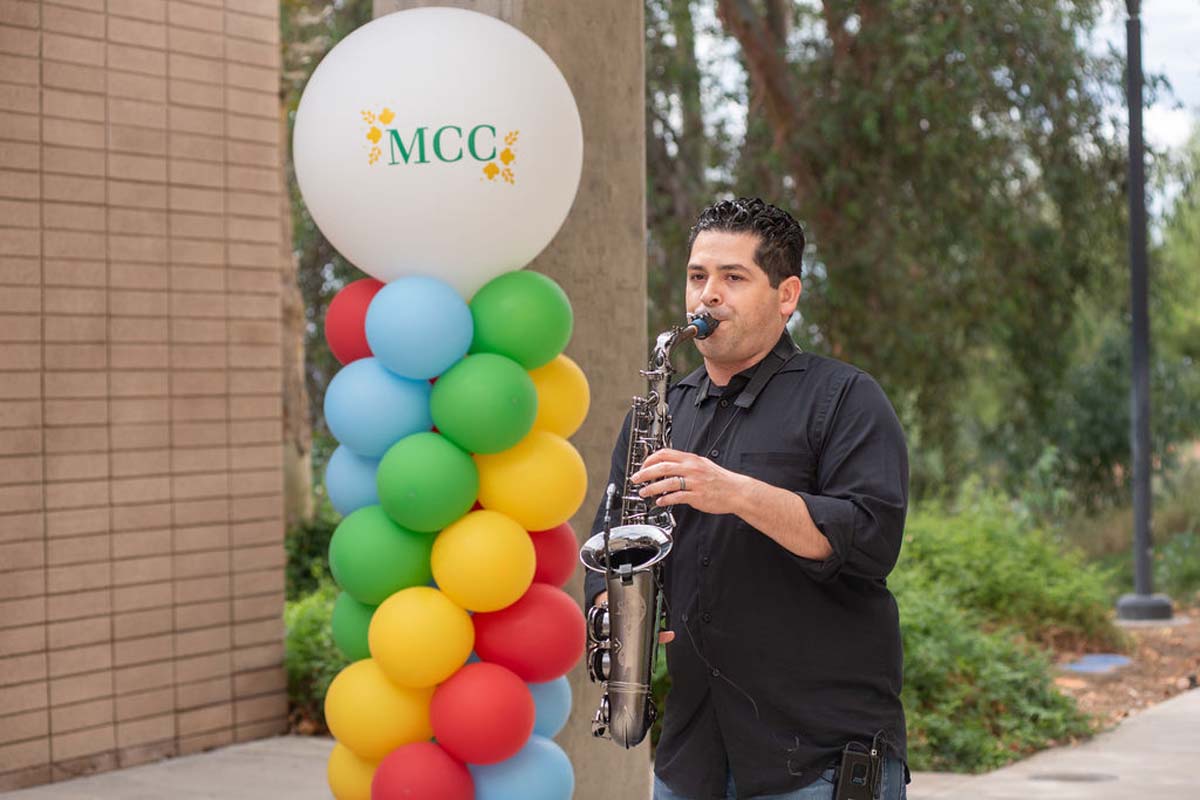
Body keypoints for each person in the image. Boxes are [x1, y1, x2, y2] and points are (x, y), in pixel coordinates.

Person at [584, 198, 909, 800]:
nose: (708, 295)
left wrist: (733, 492)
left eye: (733, 278)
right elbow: (614, 539)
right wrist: (618, 606)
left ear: (787, 295)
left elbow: (870, 539)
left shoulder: (846, 398)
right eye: (698, 276)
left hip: (820, 755)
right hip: (691, 756)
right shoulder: (661, 411)